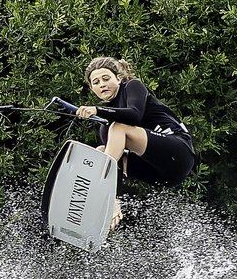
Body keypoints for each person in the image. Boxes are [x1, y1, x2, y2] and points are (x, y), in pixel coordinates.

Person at [74, 56, 194, 228]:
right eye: (96, 82)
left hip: (179, 152)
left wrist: (97, 110)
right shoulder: (106, 127)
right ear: (92, 89)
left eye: (106, 78)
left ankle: (109, 198)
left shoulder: (132, 86)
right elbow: (115, 161)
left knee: (119, 127)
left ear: (119, 78)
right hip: (161, 175)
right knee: (101, 150)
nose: (102, 84)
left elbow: (134, 114)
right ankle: (105, 203)